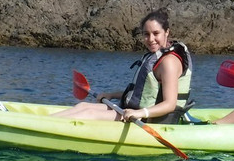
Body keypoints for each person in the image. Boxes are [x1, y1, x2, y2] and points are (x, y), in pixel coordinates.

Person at [53, 9, 192, 123]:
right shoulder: (154, 56)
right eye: (146, 34)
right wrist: (111, 94)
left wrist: (139, 112)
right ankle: (43, 122)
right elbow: (142, 92)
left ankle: (44, 126)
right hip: (133, 111)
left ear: (166, 32)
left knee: (89, 113)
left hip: (151, 119)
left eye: (156, 33)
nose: (150, 39)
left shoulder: (169, 63)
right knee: (83, 106)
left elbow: (170, 104)